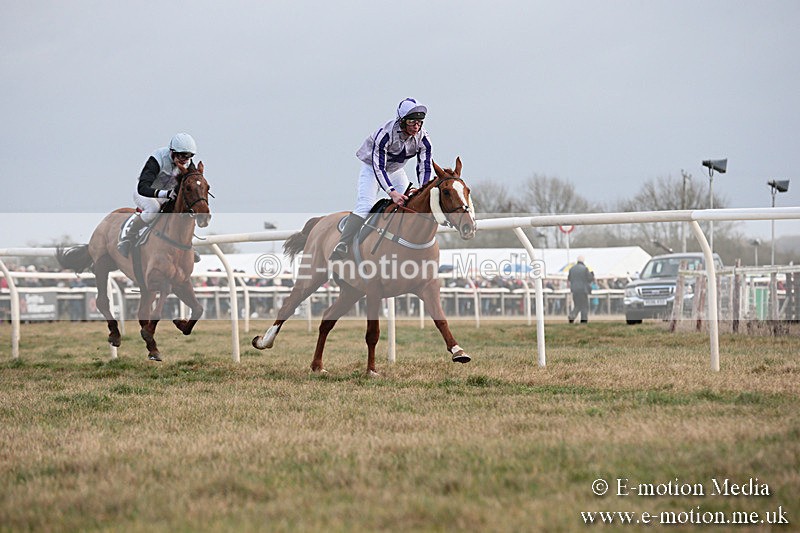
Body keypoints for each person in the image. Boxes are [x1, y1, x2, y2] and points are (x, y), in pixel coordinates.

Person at [330, 98, 433, 261]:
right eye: (412, 122)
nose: (416, 126)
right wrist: (391, 192)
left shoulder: (423, 138)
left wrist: (423, 189)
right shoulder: (385, 134)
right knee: (365, 205)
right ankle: (343, 244)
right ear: (402, 121)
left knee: (409, 205)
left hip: (396, 170)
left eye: (420, 122)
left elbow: (424, 166)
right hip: (372, 169)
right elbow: (379, 167)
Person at [118, 133, 200, 261]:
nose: (185, 159)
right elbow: (143, 187)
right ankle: (129, 236)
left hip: (168, 194)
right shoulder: (157, 159)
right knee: (153, 210)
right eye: (182, 155)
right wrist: (165, 194)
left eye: (189, 156)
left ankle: (187, 244)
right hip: (145, 192)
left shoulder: (188, 163)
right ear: (172, 151)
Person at [567, 255, 594, 323]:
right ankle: (583, 321)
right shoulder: (585, 269)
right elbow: (590, 278)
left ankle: (572, 315)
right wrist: (592, 274)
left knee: (577, 305)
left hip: (574, 290)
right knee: (584, 306)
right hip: (583, 290)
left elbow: (569, 278)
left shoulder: (572, 269)